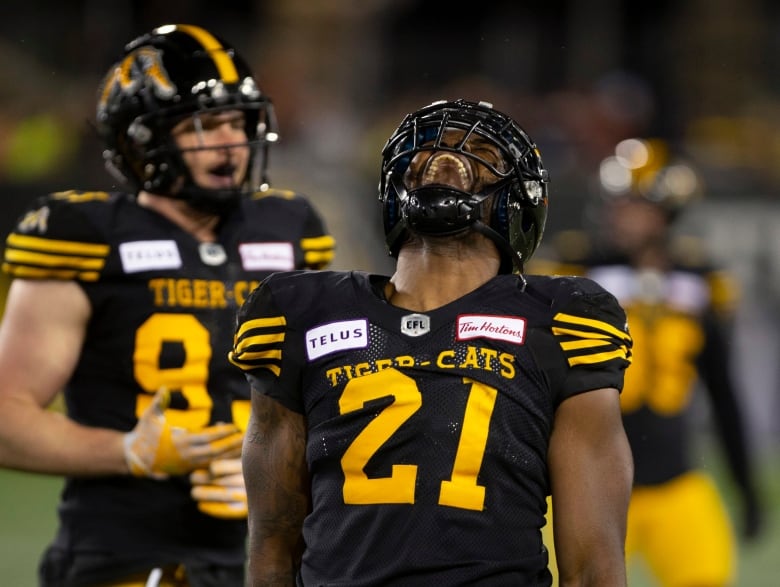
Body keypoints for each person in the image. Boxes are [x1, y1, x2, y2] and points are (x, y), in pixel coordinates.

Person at [230, 98, 634, 586]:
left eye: (482, 154)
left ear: (518, 198)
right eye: (425, 154)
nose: (447, 163)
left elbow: (593, 569)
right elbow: (272, 551)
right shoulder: (301, 311)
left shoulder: (562, 319)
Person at [0, 23, 334, 587]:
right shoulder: (82, 235)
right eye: (205, 125)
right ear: (141, 140)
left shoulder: (290, 226)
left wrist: (281, 476)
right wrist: (131, 452)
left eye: (238, 122)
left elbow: (330, 395)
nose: (230, 142)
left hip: (274, 554)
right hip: (126, 554)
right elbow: (7, 417)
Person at [530, 138, 763, 586]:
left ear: (668, 212)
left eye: (637, 205)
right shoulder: (572, 271)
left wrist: (744, 484)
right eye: (619, 204)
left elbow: (721, 388)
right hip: (588, 485)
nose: (623, 215)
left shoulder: (701, 282)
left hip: (677, 479)